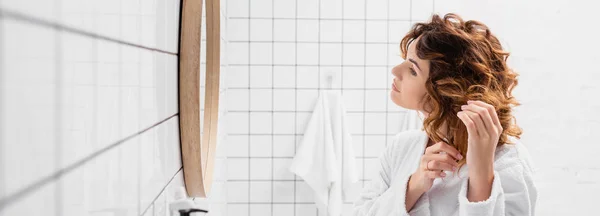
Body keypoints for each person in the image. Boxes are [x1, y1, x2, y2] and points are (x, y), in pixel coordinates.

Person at [352, 13, 538, 216]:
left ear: (448, 92)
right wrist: (414, 186)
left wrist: (481, 175)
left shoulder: (509, 162)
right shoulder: (403, 147)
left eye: (413, 70)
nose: (396, 71)